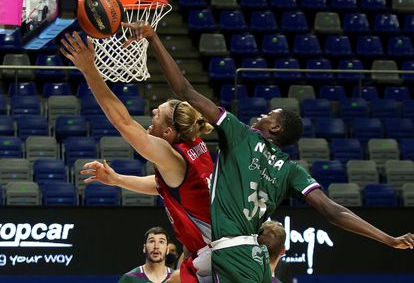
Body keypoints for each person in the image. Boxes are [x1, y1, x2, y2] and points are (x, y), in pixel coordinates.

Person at [122, 21, 414, 283]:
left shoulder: (240, 135)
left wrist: (154, 39)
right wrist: (387, 239)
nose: (261, 115)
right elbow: (333, 211)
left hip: (232, 255)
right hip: (257, 256)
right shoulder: (291, 169)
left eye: (269, 115)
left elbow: (184, 89)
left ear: (275, 129)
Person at [60, 32, 214, 283]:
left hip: (215, 254)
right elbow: (163, 185)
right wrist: (117, 179)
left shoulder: (173, 157)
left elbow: (123, 122)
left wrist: (89, 70)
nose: (152, 112)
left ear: (167, 133)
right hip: (214, 250)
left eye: (157, 114)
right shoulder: (195, 145)